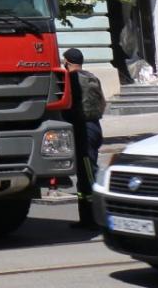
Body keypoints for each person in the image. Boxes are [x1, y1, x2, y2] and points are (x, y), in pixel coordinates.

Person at [67, 48, 107, 228]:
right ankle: (86, 218)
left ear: (67, 62)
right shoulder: (92, 77)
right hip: (95, 127)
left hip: (82, 130)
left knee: (88, 176)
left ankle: (94, 219)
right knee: (85, 175)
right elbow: (103, 103)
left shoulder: (71, 79)